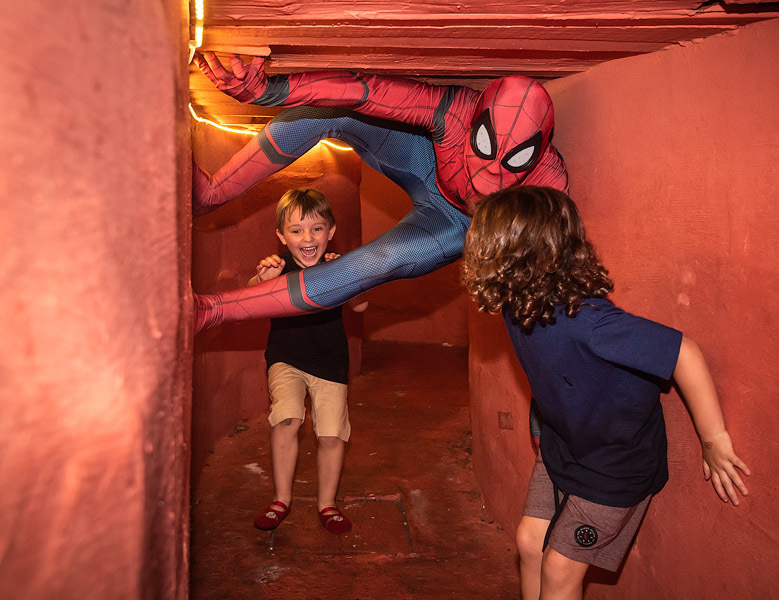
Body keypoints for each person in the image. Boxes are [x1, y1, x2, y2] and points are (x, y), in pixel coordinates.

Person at [460, 185, 750, 599]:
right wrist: (542, 423)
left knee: (560, 568)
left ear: (521, 253)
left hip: (614, 468)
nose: (472, 247)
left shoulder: (591, 324)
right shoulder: (515, 304)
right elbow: (548, 371)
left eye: (482, 240)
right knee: (529, 542)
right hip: (565, 448)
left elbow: (683, 353)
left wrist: (714, 439)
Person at [192, 52, 569, 334]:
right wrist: (269, 91)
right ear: (474, 124)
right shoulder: (455, 111)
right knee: (334, 111)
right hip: (423, 160)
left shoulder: (550, 181)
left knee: (379, 261)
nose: (488, 178)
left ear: (536, 154)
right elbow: (364, 92)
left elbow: (552, 277)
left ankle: (210, 311)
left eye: (512, 164)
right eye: (485, 151)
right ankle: (211, 193)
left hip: (456, 222)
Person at [249, 188, 366, 534]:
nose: (307, 238)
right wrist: (261, 281)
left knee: (331, 434)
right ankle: (281, 499)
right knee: (286, 418)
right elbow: (248, 298)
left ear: (330, 231)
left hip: (330, 363)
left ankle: (327, 504)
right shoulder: (279, 267)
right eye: (296, 230)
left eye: (316, 228)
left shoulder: (337, 267)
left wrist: (350, 278)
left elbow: (361, 307)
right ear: (282, 237)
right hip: (285, 358)